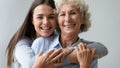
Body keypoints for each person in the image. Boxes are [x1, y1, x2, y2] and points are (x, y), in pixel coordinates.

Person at [31, 0, 108, 68]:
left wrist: (84, 66)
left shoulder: (87, 53)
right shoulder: (40, 44)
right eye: (62, 14)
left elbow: (104, 49)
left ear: (82, 19)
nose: (67, 19)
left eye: (73, 13)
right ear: (57, 20)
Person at [6, 0, 65, 68]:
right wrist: (71, 57)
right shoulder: (22, 44)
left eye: (51, 17)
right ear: (32, 20)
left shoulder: (61, 39)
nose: (46, 22)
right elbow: (32, 64)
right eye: (40, 17)